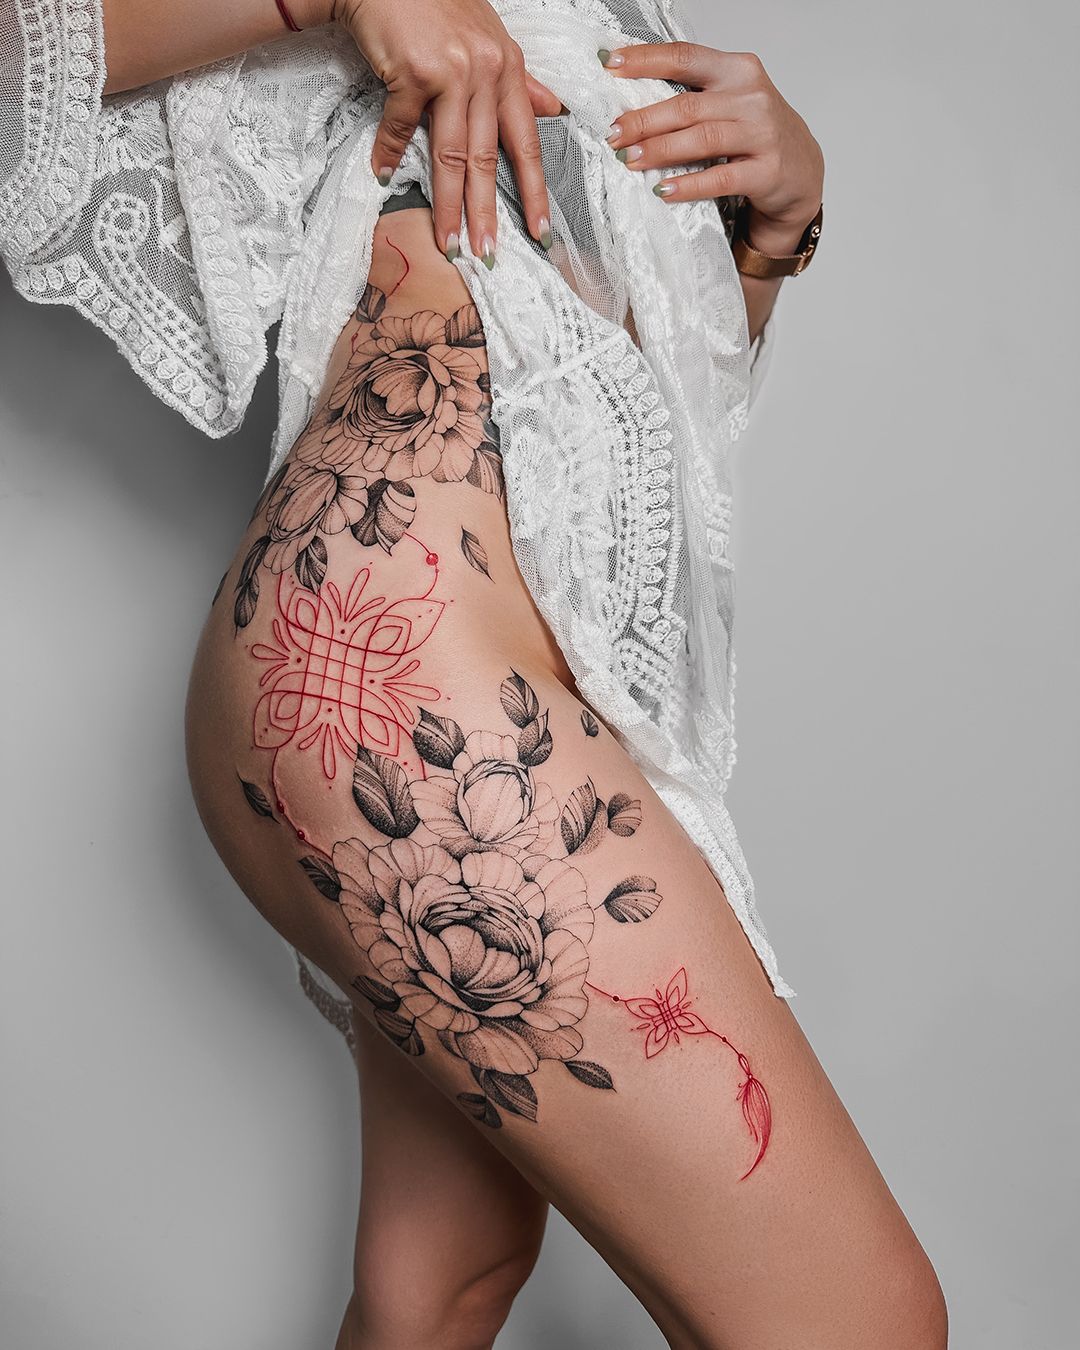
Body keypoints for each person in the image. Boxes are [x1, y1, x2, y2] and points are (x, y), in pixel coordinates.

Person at [1, 1, 947, 1346]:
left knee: (443, 1284)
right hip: (399, 653)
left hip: (505, 660)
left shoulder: (618, 14)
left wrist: (768, 236)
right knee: (860, 1319)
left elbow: (632, 401)